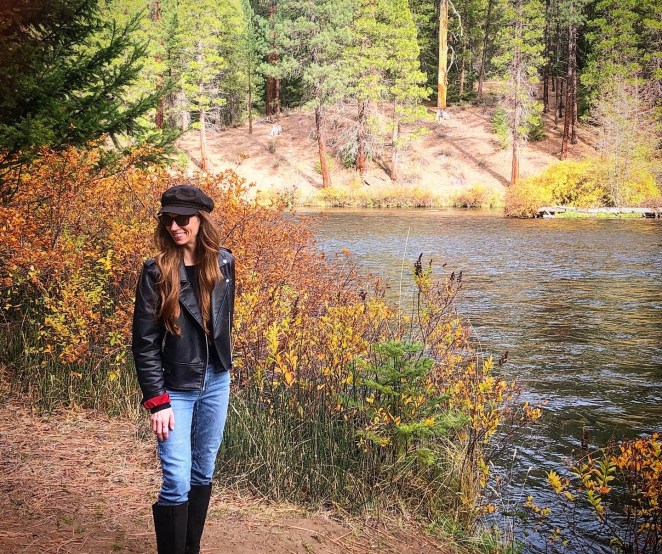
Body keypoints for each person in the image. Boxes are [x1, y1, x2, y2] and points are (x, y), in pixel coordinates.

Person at [132, 184, 235, 554]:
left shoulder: (224, 263)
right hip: (174, 388)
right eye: (168, 220)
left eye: (182, 219)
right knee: (176, 479)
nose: (174, 227)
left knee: (202, 471)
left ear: (200, 220)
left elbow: (223, 322)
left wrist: (224, 366)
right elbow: (144, 343)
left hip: (216, 381)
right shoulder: (156, 272)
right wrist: (157, 401)